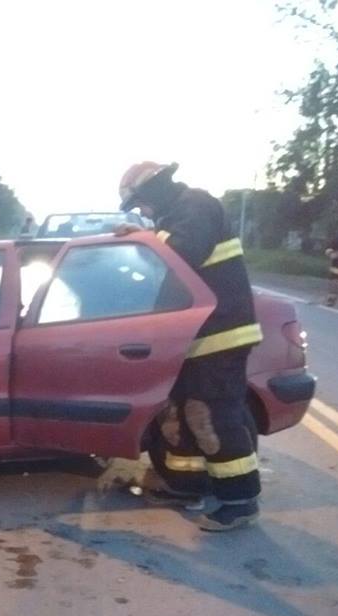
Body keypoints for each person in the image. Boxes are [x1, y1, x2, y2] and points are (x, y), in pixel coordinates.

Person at [116, 161, 262, 531]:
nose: (142, 211)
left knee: (214, 417)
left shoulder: (195, 206)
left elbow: (181, 255)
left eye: (140, 203)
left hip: (220, 336)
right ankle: (187, 486)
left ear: (155, 189)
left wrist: (145, 239)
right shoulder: (174, 216)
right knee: (184, 415)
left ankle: (239, 501)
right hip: (194, 339)